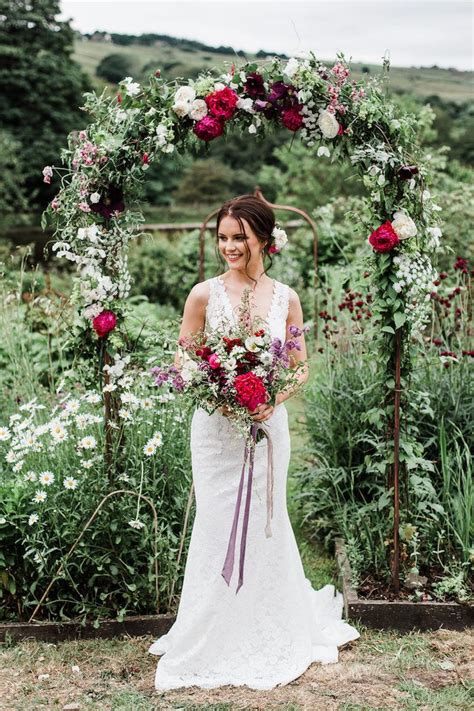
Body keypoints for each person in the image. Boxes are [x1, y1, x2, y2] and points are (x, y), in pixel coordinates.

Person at [148, 194, 359, 690]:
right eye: (222, 237)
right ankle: (211, 629)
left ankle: (269, 620)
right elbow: (186, 358)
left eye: (238, 237)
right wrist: (219, 396)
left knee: (266, 520)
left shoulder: (286, 297)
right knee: (218, 521)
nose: (229, 246)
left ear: (263, 238)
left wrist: (272, 398)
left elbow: (301, 364)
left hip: (266, 428)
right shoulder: (203, 295)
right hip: (216, 431)